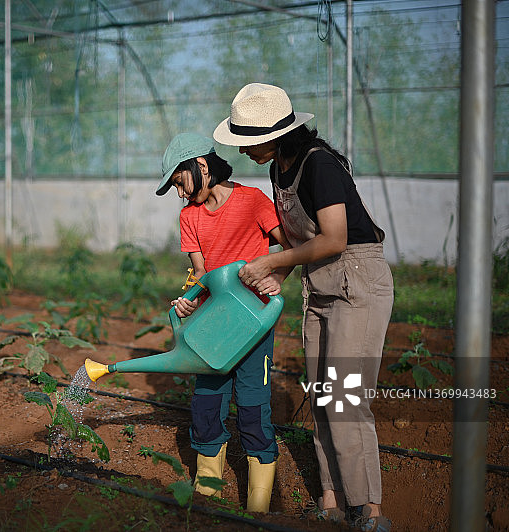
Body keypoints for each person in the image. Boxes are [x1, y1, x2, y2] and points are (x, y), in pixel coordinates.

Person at [213, 82, 393, 532]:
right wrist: (277, 276)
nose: (243, 152)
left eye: (249, 142)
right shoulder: (280, 170)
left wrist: (272, 260)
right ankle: (330, 496)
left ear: (275, 136)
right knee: (320, 395)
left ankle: (369, 511)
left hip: (357, 281)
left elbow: (334, 238)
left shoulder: (320, 165)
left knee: (345, 399)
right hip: (322, 285)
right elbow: (301, 244)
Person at [156, 132, 291, 513]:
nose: (180, 194)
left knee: (252, 408)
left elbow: (289, 247)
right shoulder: (189, 217)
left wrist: (277, 277)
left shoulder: (252, 202)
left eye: (180, 183)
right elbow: (201, 274)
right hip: (213, 328)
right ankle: (209, 494)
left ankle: (259, 506)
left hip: (252, 326)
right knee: (206, 407)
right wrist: (188, 302)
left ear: (201, 166)